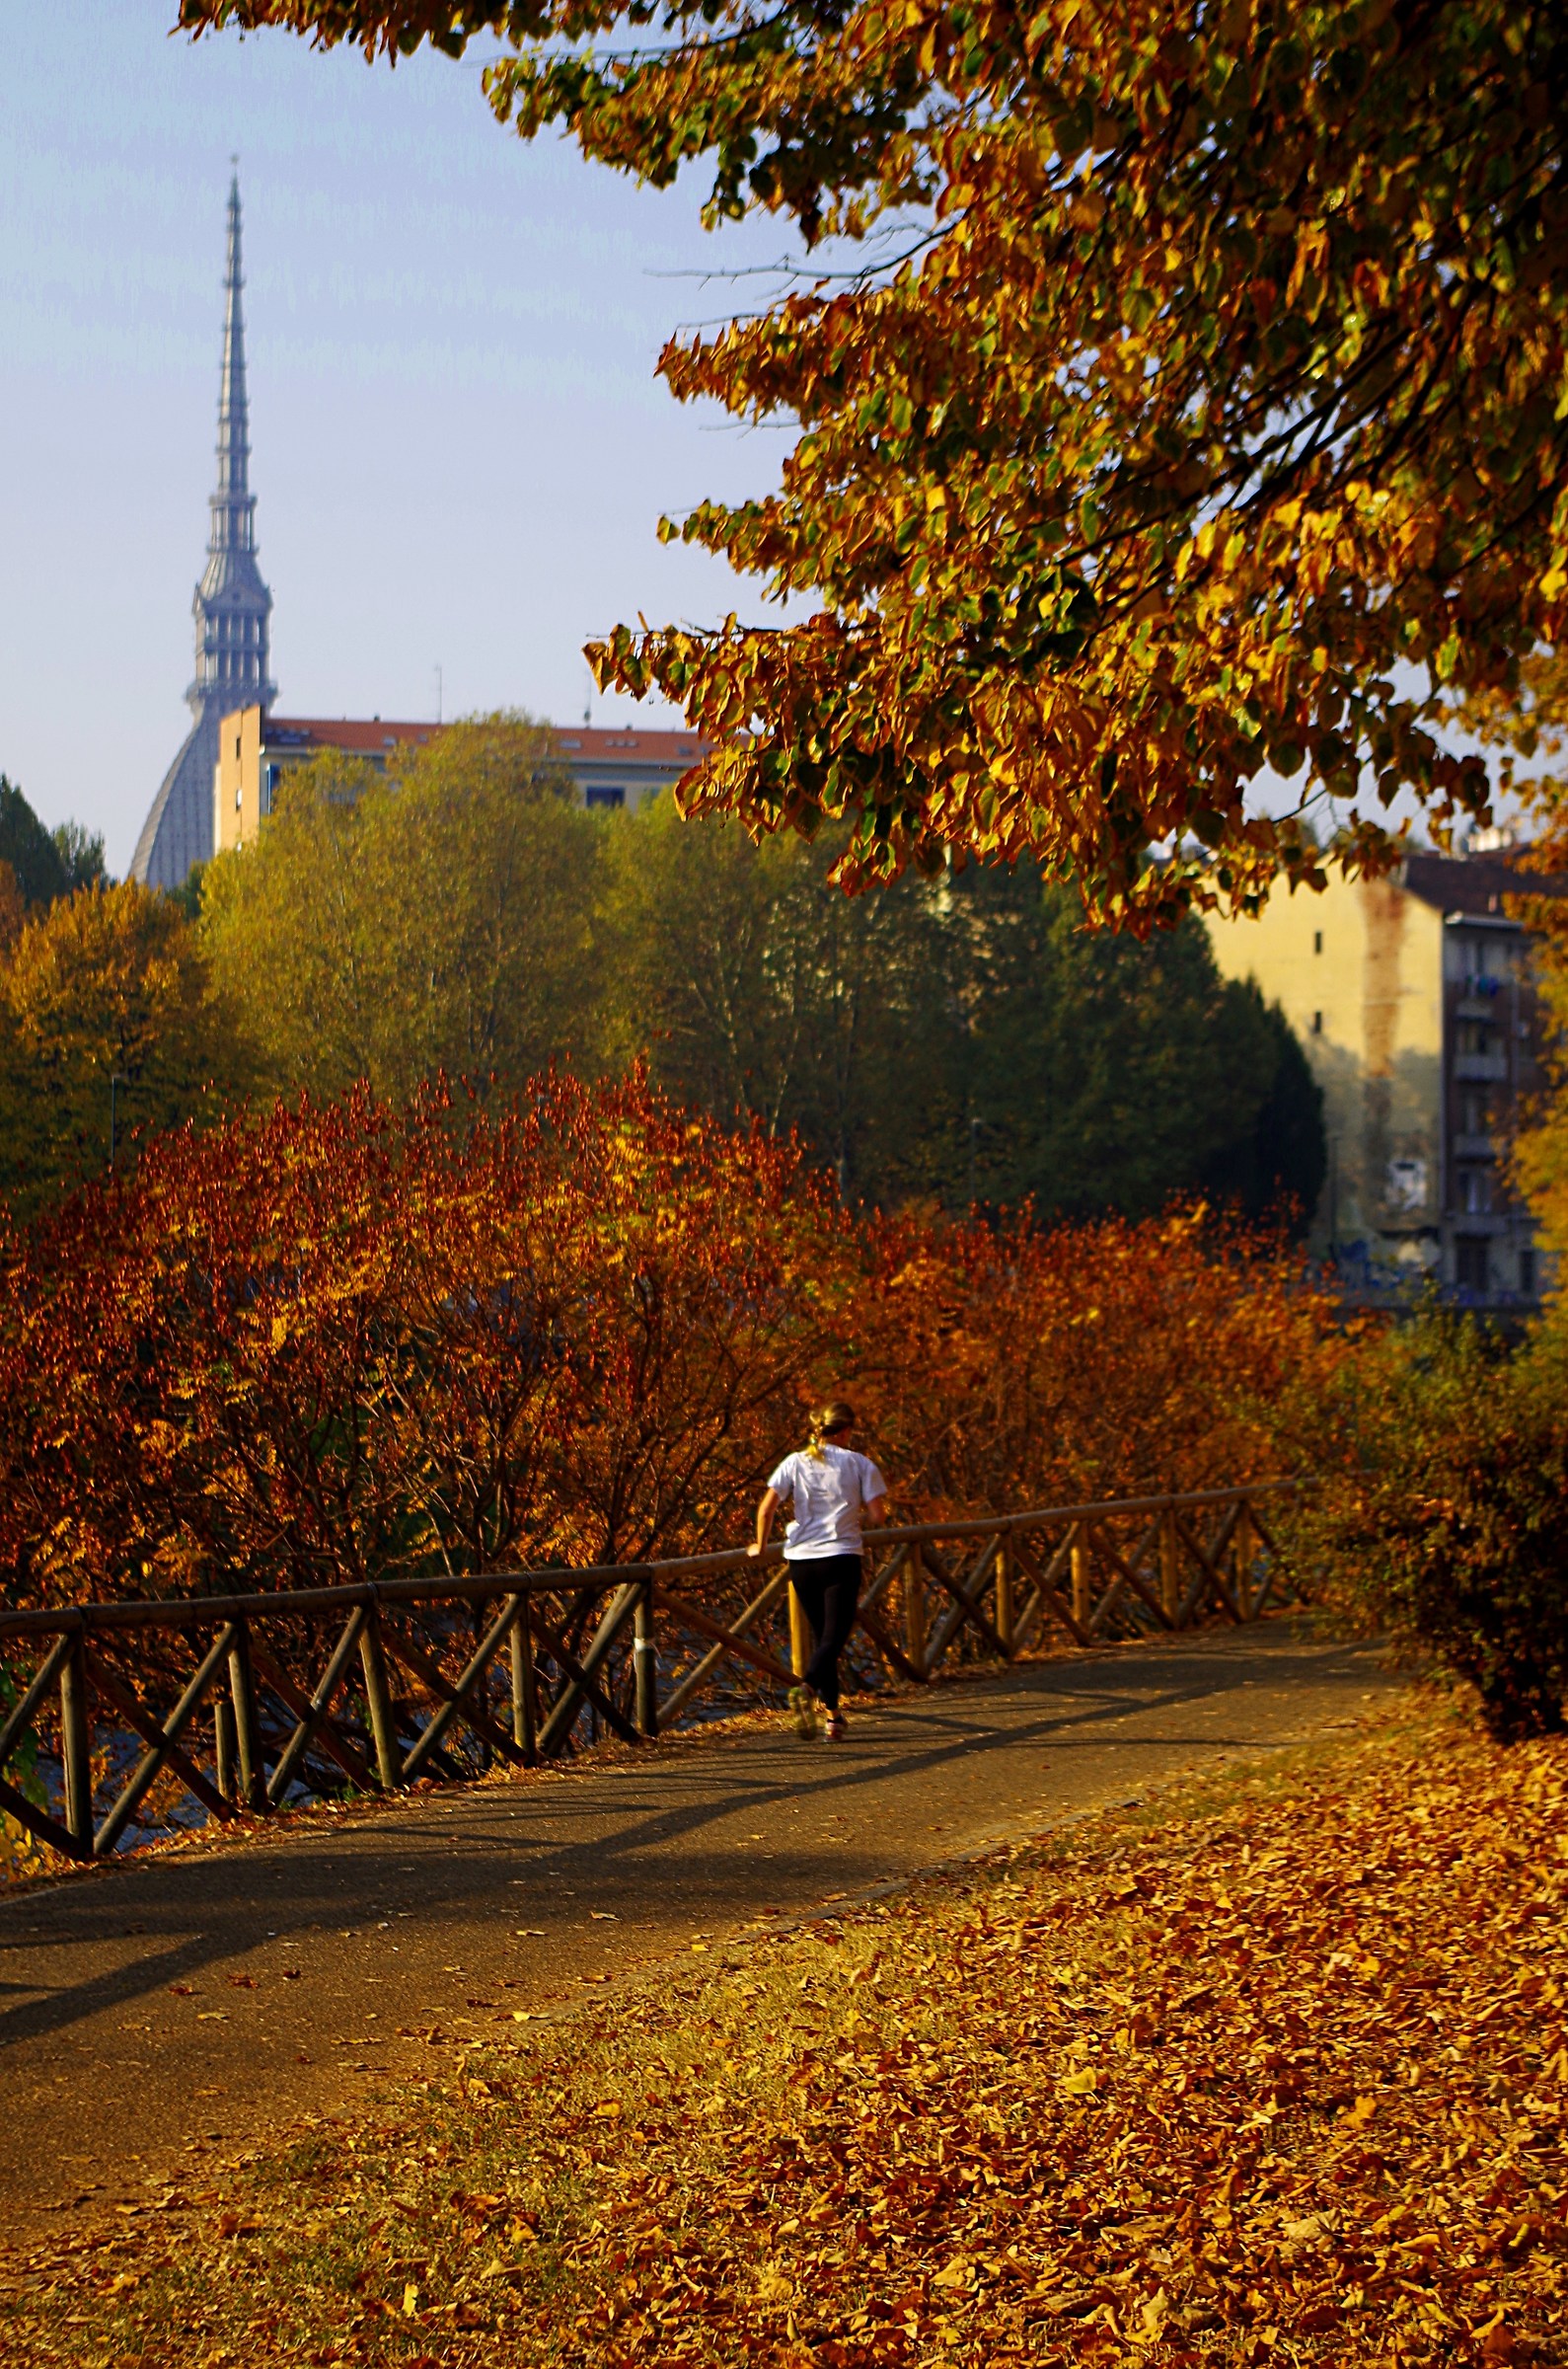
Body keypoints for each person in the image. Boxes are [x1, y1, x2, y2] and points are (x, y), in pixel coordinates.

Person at [748, 1401, 888, 1741]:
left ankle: (833, 1718)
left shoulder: (795, 1462)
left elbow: (766, 1509)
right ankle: (807, 1689)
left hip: (801, 1562)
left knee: (824, 1637)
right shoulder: (860, 1463)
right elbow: (878, 1515)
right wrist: (859, 1515)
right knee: (832, 1640)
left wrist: (760, 1545)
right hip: (840, 1558)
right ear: (845, 1430)